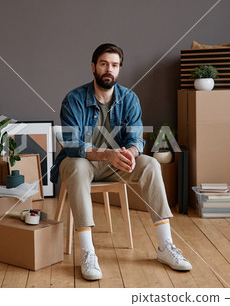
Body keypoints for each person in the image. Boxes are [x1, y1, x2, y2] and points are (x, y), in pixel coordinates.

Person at [50, 43, 192, 281]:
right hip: (81, 165)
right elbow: (72, 144)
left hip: (116, 165)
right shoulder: (73, 99)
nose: (109, 69)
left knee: (151, 164)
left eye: (114, 65)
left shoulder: (129, 98)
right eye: (104, 64)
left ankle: (165, 246)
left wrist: (131, 154)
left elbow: (136, 139)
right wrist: (107, 154)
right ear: (93, 67)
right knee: (76, 165)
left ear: (119, 69)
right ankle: (88, 252)